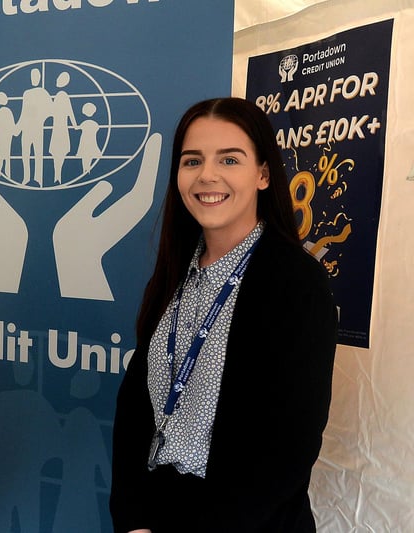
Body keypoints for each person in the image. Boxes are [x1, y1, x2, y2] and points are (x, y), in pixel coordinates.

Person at [110, 97, 337, 533]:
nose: (207, 176)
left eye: (229, 159)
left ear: (263, 174)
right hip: (156, 516)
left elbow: (288, 446)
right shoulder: (176, 272)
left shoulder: (297, 283)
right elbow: (136, 410)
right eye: (192, 160)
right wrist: (134, 520)